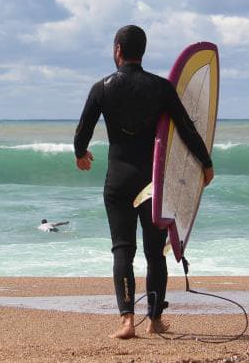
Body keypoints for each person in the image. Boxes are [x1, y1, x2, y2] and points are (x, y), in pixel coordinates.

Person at [73, 25, 214, 339]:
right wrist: (205, 163)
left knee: (123, 249)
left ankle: (126, 321)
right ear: (142, 51)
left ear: (118, 51)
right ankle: (153, 320)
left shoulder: (101, 88)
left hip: (119, 180)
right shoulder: (161, 88)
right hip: (152, 183)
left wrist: (80, 154)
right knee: (154, 253)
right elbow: (187, 129)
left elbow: (82, 131)